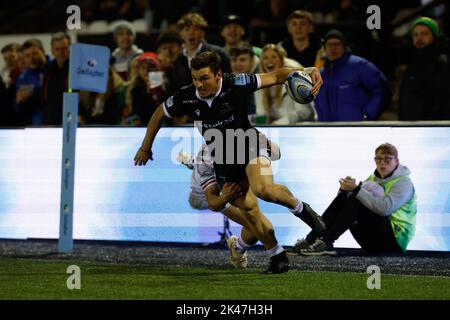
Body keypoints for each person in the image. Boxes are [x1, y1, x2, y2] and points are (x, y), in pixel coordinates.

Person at [134, 50, 326, 274]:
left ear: (218, 75)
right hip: (222, 158)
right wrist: (145, 147)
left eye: (204, 78)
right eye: (195, 79)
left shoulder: (237, 82)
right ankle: (277, 257)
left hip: (248, 142)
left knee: (264, 190)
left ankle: (305, 211)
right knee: (250, 212)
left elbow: (276, 76)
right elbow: (159, 113)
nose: (199, 84)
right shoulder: (186, 96)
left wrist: (307, 71)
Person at [294, 143, 417, 256]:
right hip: (374, 239)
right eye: (378, 159)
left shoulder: (404, 183)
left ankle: (327, 242)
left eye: (387, 159)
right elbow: (346, 205)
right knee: (346, 198)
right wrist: (343, 191)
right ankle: (310, 240)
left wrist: (356, 189)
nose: (382, 163)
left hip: (395, 241)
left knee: (356, 200)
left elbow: (385, 209)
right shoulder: (373, 179)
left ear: (397, 161)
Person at [314, 29, 390, 122]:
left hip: (356, 130)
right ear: (324, 48)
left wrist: (368, 115)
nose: (333, 48)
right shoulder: (321, 73)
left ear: (344, 47)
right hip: (327, 131)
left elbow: (382, 89)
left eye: (337, 44)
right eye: (329, 44)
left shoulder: (359, 65)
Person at [165, 12, 231, 96]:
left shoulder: (218, 53)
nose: (191, 33)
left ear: (203, 33)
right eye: (187, 29)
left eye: (195, 29)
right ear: (181, 34)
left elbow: (227, 81)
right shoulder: (176, 59)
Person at [398, 17, 450, 120]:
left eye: (424, 33)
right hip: (411, 126)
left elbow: (443, 98)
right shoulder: (415, 58)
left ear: (434, 36)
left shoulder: (442, 61)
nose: (419, 38)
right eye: (415, 35)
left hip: (430, 128)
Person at [255, 44, 316, 124]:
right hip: (274, 130)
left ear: (281, 60)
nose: (270, 60)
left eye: (274, 57)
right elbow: (261, 114)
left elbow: (305, 112)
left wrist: (284, 121)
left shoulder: (296, 80)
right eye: (265, 58)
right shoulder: (259, 85)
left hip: (300, 128)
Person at [15, 39, 50, 126]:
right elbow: (19, 110)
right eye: (27, 55)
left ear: (43, 51)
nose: (32, 58)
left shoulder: (56, 67)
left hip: (61, 121)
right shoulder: (23, 78)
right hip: (38, 125)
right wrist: (19, 101)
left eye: (35, 53)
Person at [42, 32, 71, 126]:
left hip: (71, 120)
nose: (61, 52)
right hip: (51, 121)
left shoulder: (77, 69)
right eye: (57, 49)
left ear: (70, 48)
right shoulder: (47, 69)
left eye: (64, 48)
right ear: (52, 50)